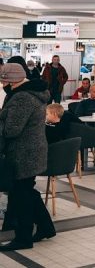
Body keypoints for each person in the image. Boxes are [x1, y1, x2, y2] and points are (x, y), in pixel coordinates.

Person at [0, 63, 56, 251]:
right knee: (27, 191)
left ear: (13, 81)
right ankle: (46, 227)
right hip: (33, 150)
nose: (3, 85)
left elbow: (11, 130)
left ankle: (23, 239)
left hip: (23, 153)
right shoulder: (35, 92)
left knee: (20, 195)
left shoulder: (22, 97)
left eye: (5, 82)